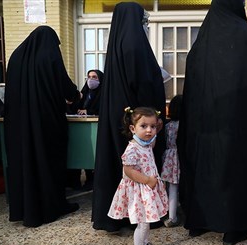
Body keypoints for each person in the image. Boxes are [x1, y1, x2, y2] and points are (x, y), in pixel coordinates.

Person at [177, 0, 247, 245]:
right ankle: (233, 228)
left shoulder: (202, 40)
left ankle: (198, 222)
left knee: (203, 170)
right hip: (237, 125)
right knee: (234, 172)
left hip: (203, 127)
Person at [92, 2, 166, 232]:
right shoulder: (135, 44)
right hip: (136, 118)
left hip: (120, 113)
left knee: (118, 165)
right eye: (143, 20)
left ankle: (115, 217)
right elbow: (143, 83)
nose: (145, 24)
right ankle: (139, 215)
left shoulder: (117, 43)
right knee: (137, 167)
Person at [4, 25, 80, 227]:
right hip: (45, 122)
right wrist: (75, 95)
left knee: (24, 162)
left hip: (18, 125)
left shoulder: (16, 56)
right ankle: (52, 206)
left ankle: (23, 209)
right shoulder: (49, 55)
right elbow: (65, 86)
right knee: (48, 161)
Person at [107, 107, 168, 245]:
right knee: (142, 222)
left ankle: (145, 244)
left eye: (152, 126)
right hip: (139, 190)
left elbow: (152, 140)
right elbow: (128, 170)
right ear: (133, 128)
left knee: (147, 221)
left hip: (147, 189)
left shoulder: (146, 143)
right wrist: (147, 180)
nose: (149, 130)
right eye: (144, 126)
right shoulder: (133, 148)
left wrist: (158, 128)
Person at [67, 69, 104, 190]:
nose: (91, 80)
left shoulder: (103, 93)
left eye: (94, 77)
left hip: (94, 129)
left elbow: (102, 109)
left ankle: (91, 180)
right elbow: (76, 107)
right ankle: (74, 181)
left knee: (90, 156)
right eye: (89, 77)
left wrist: (89, 112)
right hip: (80, 129)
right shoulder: (85, 92)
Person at [161, 94, 183, 228]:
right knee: (176, 187)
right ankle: (173, 217)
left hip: (168, 155)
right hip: (179, 156)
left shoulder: (168, 126)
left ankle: (168, 213)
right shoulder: (185, 126)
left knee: (168, 187)